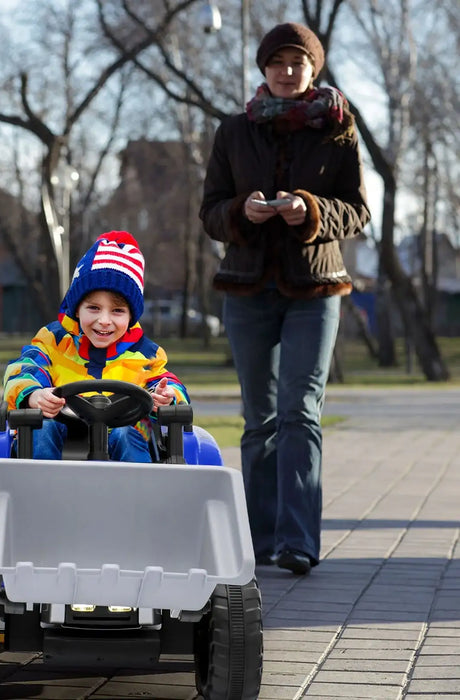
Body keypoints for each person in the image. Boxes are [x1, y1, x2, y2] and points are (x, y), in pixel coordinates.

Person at [200, 22, 370, 575]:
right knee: (259, 420)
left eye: (297, 62)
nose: (287, 70)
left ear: (313, 68)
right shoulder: (233, 131)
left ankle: (298, 542)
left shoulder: (339, 130)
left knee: (301, 412)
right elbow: (210, 212)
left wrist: (311, 210)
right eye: (277, 62)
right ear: (263, 69)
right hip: (247, 290)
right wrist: (238, 214)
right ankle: (259, 540)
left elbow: (359, 211)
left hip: (315, 289)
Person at [4, 230, 189, 462]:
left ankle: (139, 495)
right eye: (93, 308)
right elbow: (24, 369)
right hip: (61, 438)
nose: (104, 320)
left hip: (122, 436)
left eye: (117, 310)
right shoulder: (54, 341)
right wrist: (33, 394)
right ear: (76, 308)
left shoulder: (146, 354)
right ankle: (41, 493)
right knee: (42, 429)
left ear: (131, 316)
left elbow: (168, 382)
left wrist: (167, 395)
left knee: (125, 435)